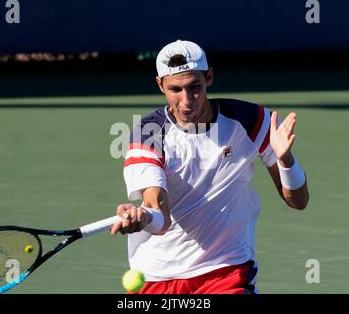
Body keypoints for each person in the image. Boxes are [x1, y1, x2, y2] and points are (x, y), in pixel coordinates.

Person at [110, 39, 309, 294]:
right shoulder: (148, 134)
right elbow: (160, 215)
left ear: (210, 77)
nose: (186, 101)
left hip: (226, 268)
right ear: (160, 85)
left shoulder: (250, 120)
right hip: (158, 274)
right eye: (175, 89)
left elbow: (298, 201)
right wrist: (144, 216)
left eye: (195, 87)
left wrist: (285, 160)